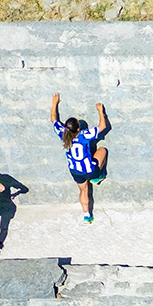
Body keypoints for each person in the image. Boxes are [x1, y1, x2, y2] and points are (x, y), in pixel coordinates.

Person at [51, 93, 108, 223]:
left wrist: (54, 104)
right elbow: (102, 127)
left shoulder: (62, 133)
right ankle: (97, 176)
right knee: (102, 150)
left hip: (75, 170)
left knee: (83, 190)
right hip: (89, 170)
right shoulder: (83, 135)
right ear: (78, 129)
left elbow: (53, 119)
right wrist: (100, 112)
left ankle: (87, 215)